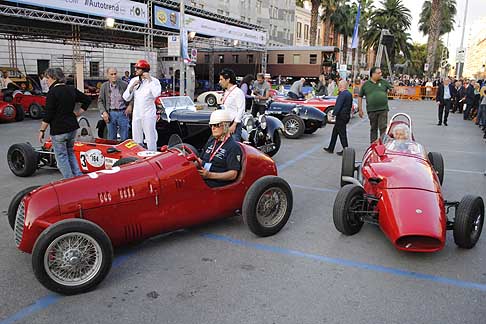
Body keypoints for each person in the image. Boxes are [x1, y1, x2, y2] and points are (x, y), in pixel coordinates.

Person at [38, 68, 92, 179]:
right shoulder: (71, 89)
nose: (46, 81)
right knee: (70, 153)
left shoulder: (52, 93)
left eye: (47, 78)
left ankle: (69, 181)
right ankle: (78, 177)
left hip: (59, 130)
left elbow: (48, 115)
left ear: (53, 78)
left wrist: (42, 130)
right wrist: (78, 113)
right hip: (72, 128)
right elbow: (87, 99)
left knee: (61, 157)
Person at [122, 59, 161, 151]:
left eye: (138, 69)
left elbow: (156, 94)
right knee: (136, 137)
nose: (135, 70)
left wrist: (150, 80)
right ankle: (137, 155)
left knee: (150, 137)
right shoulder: (134, 80)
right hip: (137, 114)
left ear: (144, 70)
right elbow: (126, 97)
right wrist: (131, 87)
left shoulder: (154, 81)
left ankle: (152, 153)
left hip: (148, 114)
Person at [197, 109, 242, 188]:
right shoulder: (211, 141)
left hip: (216, 184)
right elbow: (200, 160)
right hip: (203, 178)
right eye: (211, 125)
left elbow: (233, 174)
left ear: (225, 126)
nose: (213, 128)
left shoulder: (233, 146)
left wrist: (210, 175)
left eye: (217, 125)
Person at [358, 67, 393, 143]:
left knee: (383, 128)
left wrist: (394, 90)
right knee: (373, 128)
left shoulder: (384, 82)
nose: (381, 74)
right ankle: (373, 145)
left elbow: (392, 89)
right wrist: (360, 109)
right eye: (379, 73)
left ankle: (383, 144)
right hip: (372, 110)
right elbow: (360, 96)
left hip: (383, 109)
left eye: (381, 72)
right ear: (373, 74)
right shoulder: (366, 85)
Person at [98, 67, 131, 141]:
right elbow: (100, 101)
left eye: (115, 74)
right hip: (111, 113)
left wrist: (130, 106)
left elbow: (131, 98)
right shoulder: (104, 86)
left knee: (125, 138)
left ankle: (124, 152)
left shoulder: (124, 85)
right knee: (111, 139)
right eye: (111, 74)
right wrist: (104, 112)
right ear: (108, 76)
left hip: (123, 113)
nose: (114, 76)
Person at [323, 80, 353, 156]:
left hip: (341, 116)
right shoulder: (349, 94)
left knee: (342, 134)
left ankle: (345, 150)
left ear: (341, 86)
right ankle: (331, 148)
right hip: (346, 116)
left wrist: (333, 114)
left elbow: (338, 105)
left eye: (339, 85)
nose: (338, 87)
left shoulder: (342, 94)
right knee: (335, 132)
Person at [219, 68, 245, 142]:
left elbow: (241, 109)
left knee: (233, 146)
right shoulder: (226, 92)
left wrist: (234, 125)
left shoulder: (238, 92)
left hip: (233, 125)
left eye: (221, 79)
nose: (219, 82)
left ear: (228, 80)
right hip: (225, 124)